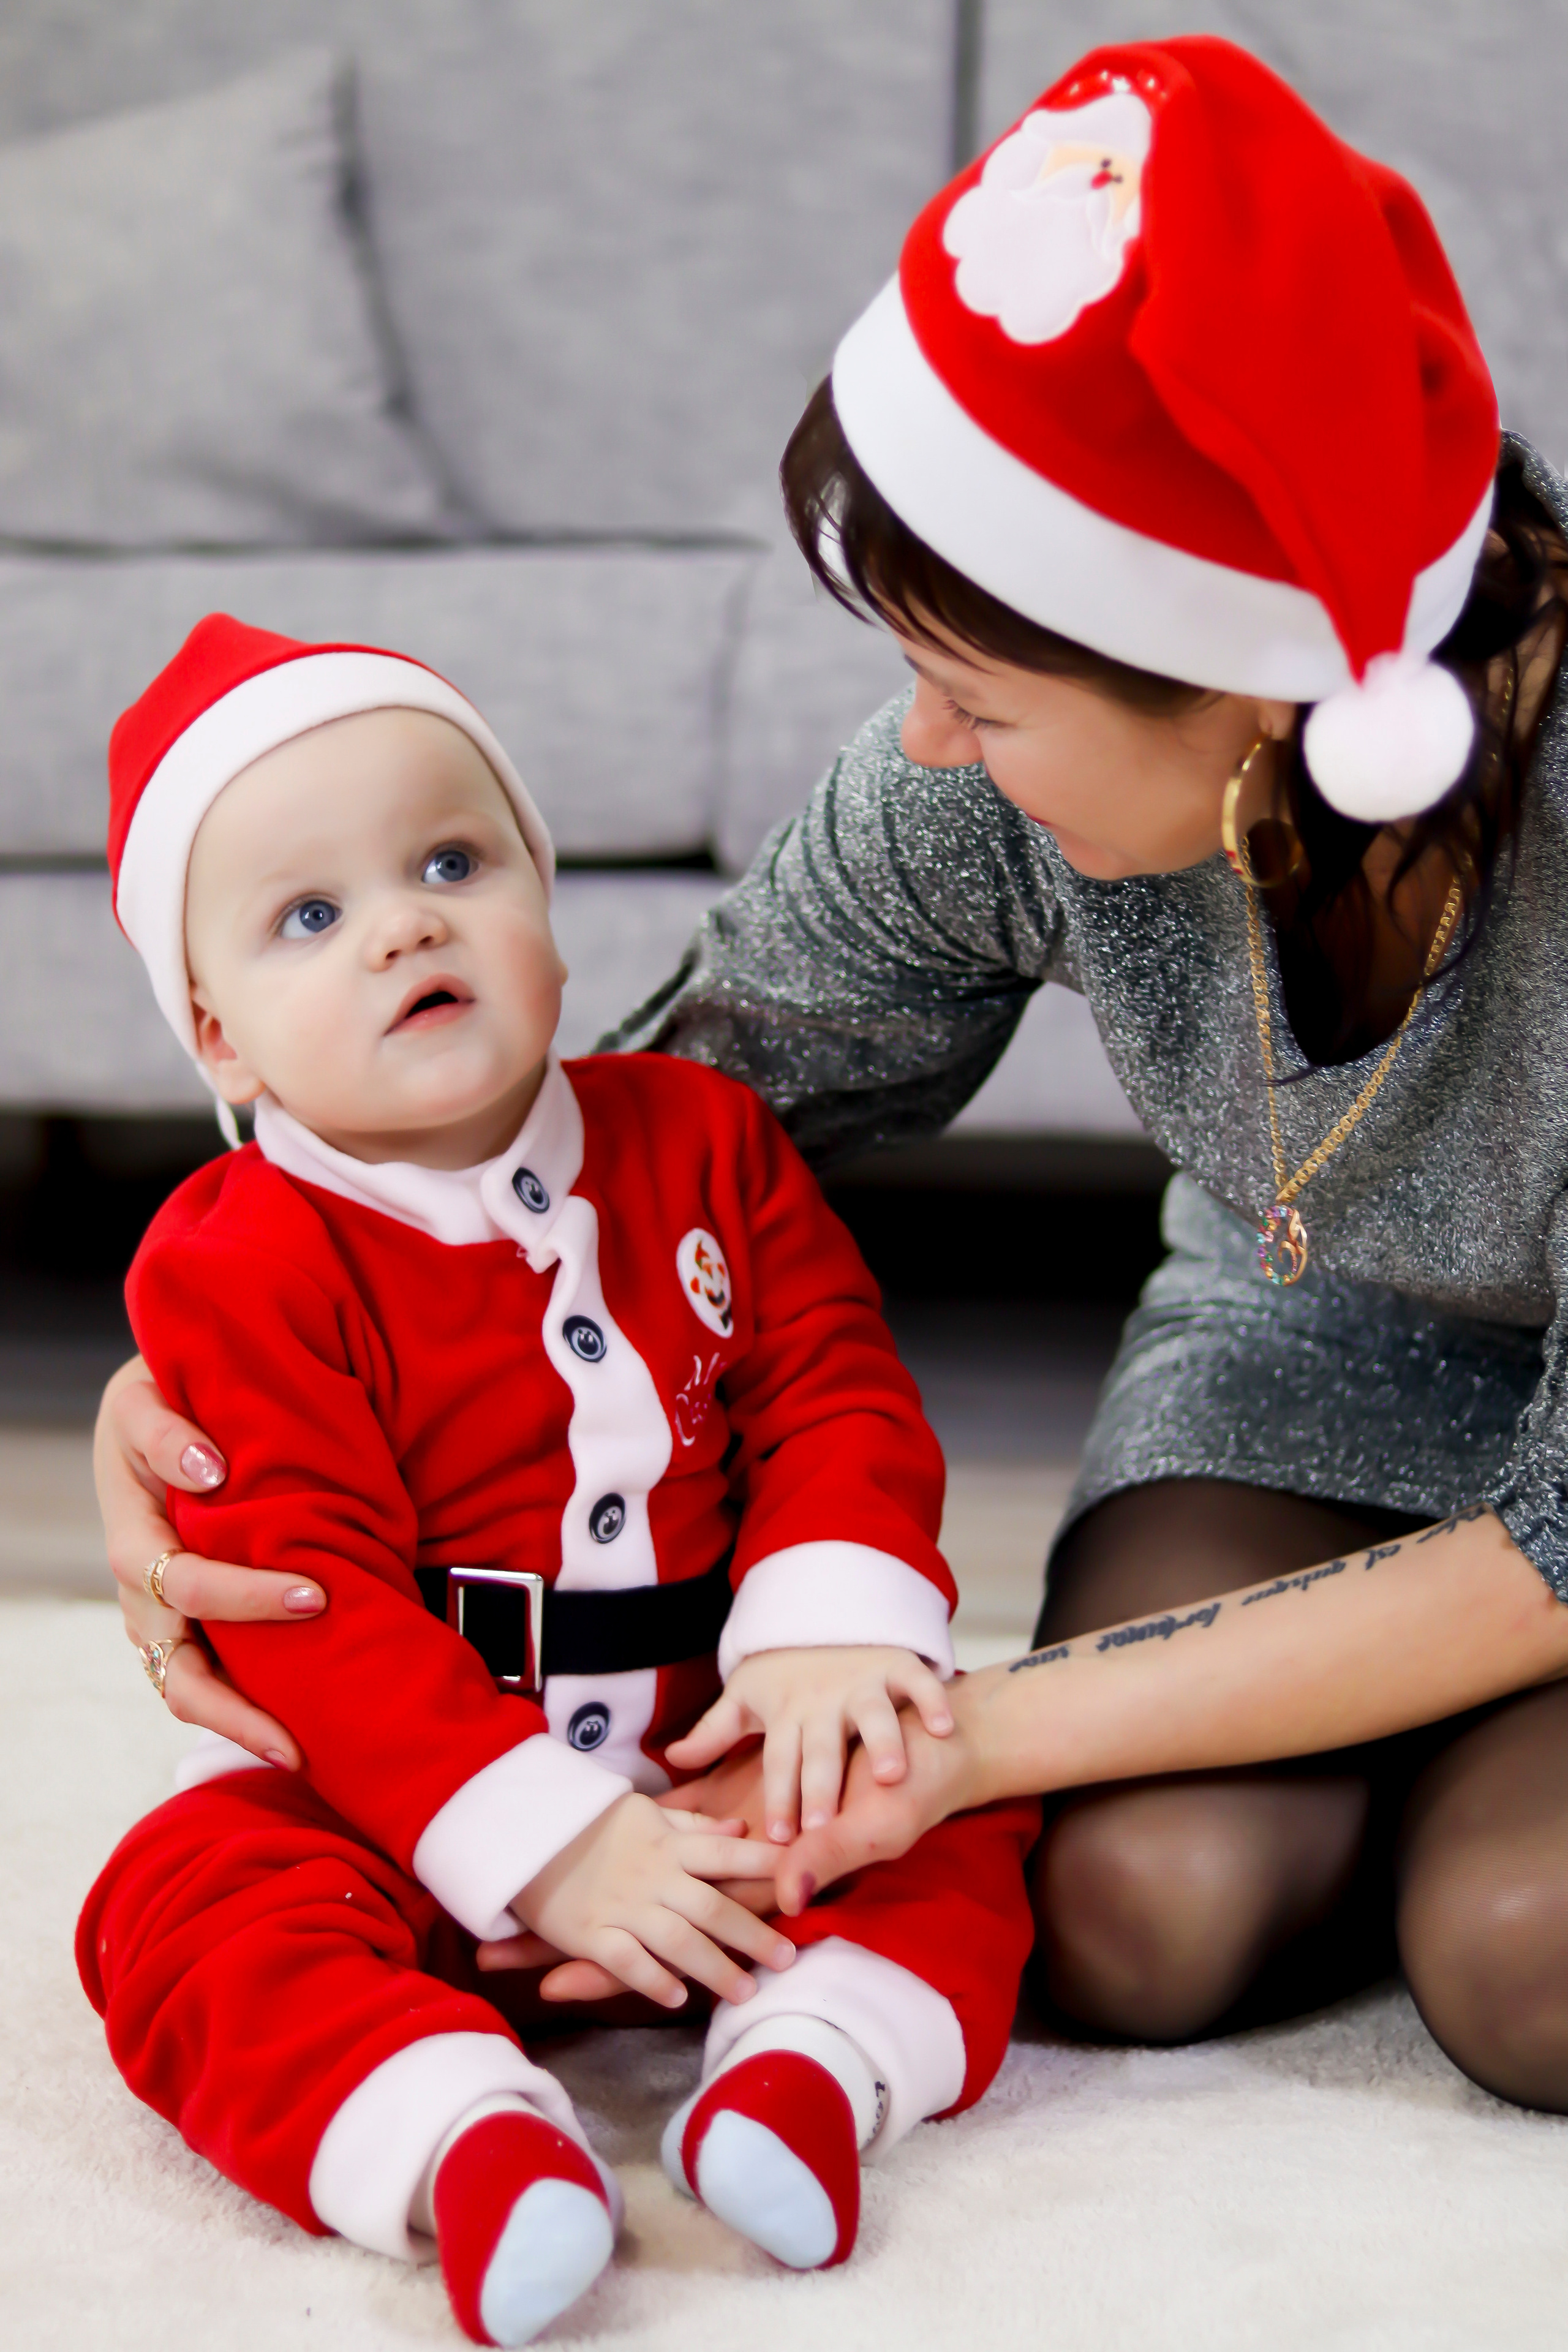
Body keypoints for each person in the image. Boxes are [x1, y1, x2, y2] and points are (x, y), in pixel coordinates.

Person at [99, 35, 1568, 2111]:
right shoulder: (968, 788)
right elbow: (607, 1144)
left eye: (976, 695)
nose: (926, 744)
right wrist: (223, 1367)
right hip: (1304, 1348)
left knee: (1528, 1957)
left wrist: (976, 1734)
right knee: (1134, 1919)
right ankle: (1399, 1740)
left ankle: (1459, 1769)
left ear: (1245, 686)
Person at [79, 615, 1038, 2346]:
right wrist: (547, 1845)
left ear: (547, 906)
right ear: (222, 1039)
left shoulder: (702, 1138)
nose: (405, 925)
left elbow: (831, 1385)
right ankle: (458, 2138)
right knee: (185, 1904)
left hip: (722, 1747)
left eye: (454, 862)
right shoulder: (237, 1263)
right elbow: (309, 1605)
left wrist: (824, 1636)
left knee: (951, 1790)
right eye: (312, 917)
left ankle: (811, 2072)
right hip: (395, 1805)